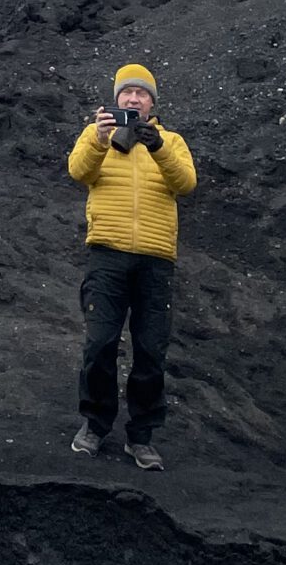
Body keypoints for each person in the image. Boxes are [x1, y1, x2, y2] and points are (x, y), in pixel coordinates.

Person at [66, 63, 196, 471]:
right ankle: (95, 424)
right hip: (108, 254)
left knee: (151, 350)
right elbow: (78, 171)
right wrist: (102, 139)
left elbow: (186, 183)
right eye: (127, 94)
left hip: (156, 259)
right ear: (117, 99)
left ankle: (141, 437)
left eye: (142, 94)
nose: (134, 99)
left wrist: (157, 147)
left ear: (153, 103)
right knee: (101, 342)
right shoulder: (97, 135)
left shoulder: (171, 140)